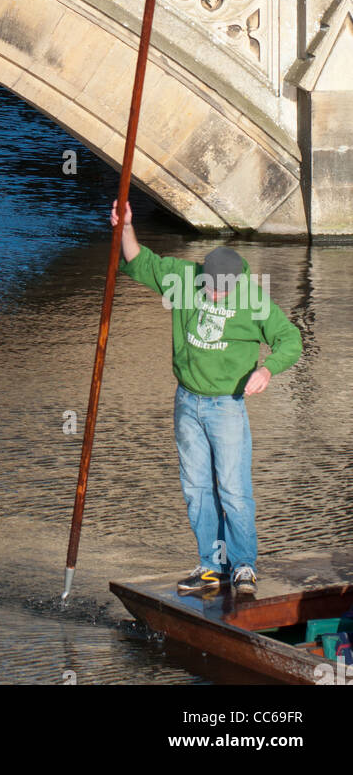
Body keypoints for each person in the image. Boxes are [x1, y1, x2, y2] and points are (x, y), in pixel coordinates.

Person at [111, 199, 302, 598]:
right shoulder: (185, 279)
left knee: (233, 488)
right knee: (196, 488)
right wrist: (126, 226)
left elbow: (290, 339)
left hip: (226, 407)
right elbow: (139, 261)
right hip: (187, 402)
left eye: (222, 291)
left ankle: (245, 565)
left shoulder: (253, 300)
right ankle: (211, 565)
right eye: (210, 288)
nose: (214, 295)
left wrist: (267, 369)